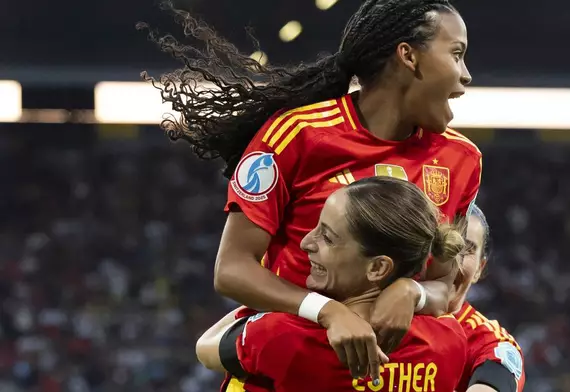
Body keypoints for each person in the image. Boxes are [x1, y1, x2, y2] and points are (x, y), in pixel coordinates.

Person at [141, 0, 481, 378]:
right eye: (457, 54)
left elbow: (444, 286)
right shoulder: (296, 136)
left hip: (384, 375)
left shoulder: (461, 159)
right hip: (289, 361)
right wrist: (326, 310)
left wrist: (411, 292)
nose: (466, 75)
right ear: (408, 56)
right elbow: (232, 269)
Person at [195, 177, 468, 392]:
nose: (306, 243)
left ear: (377, 268)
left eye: (327, 237)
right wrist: (410, 289)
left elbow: (206, 347)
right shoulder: (450, 340)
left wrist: (316, 306)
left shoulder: (283, 337)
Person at [450, 205, 526, 392]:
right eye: (445, 244)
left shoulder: (491, 343)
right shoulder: (375, 316)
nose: (453, 260)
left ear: (479, 268)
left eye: (467, 249)